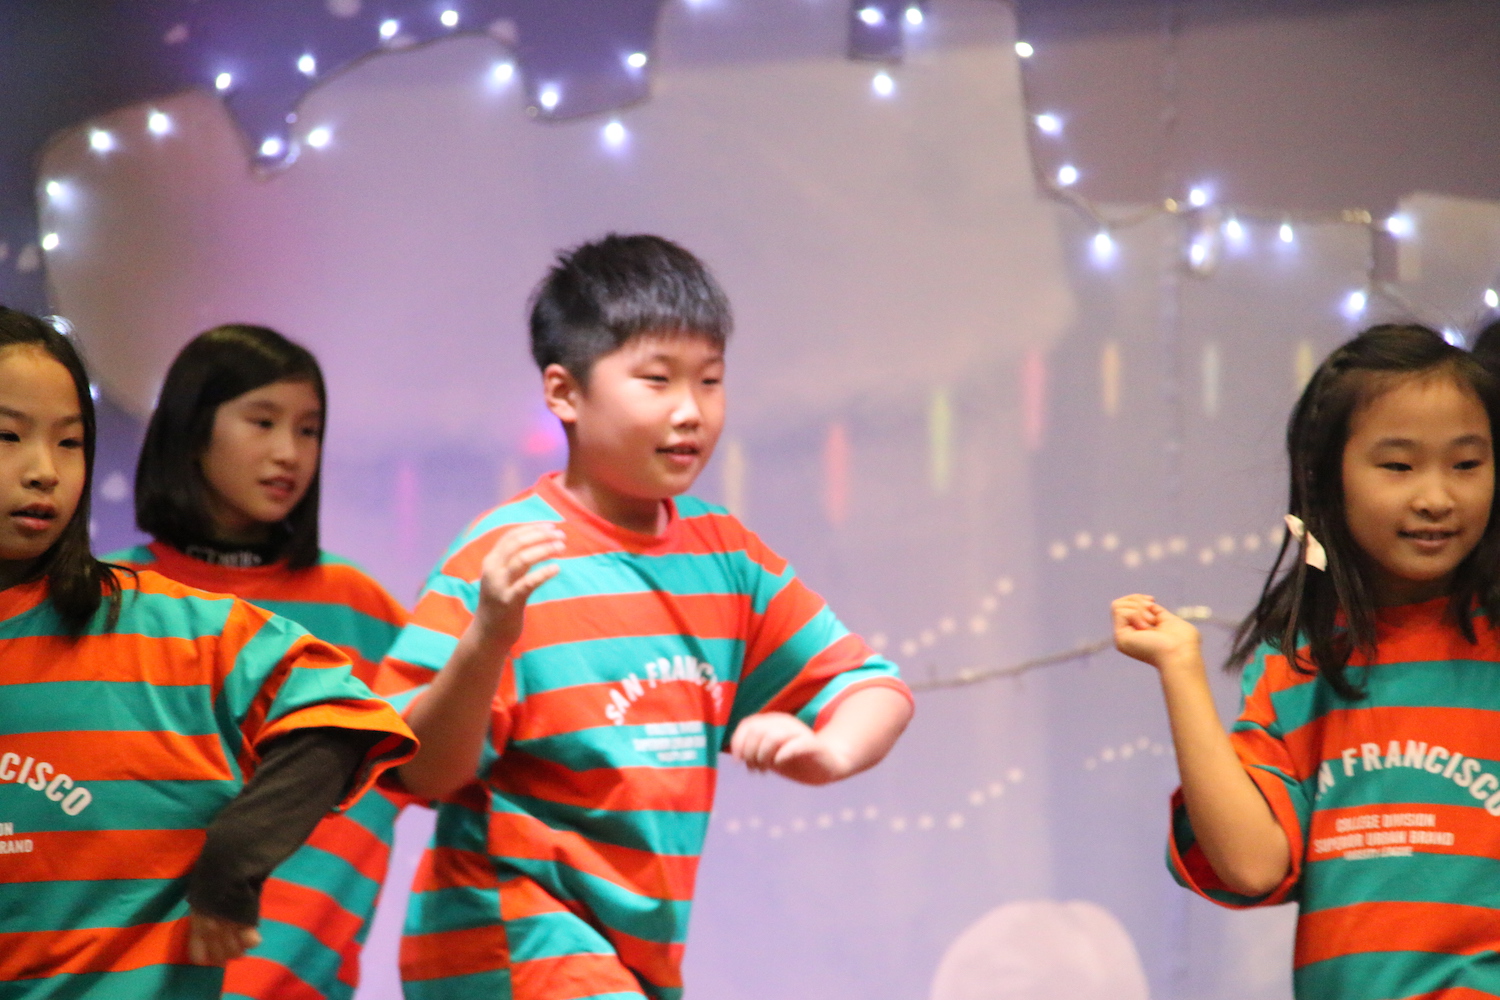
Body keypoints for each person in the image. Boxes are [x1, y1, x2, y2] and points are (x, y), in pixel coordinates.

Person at [376, 233, 914, 1000]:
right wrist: (487, 639)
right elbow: (417, 768)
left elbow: (873, 688)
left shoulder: (727, 559)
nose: (690, 411)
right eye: (657, 380)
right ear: (565, 393)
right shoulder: (506, 557)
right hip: (507, 933)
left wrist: (828, 752)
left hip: (633, 956)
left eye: (710, 380)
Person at [0, 306, 417, 997]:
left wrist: (233, 864)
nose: (45, 470)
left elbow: (379, 740)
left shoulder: (164, 623)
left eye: (70, 442)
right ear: (192, 433)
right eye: (8, 435)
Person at [1112, 324, 1500, 999]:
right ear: (1324, 477)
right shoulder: (1297, 666)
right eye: (1399, 466)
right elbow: (1252, 864)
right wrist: (1179, 667)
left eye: (1466, 464)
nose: (1437, 497)